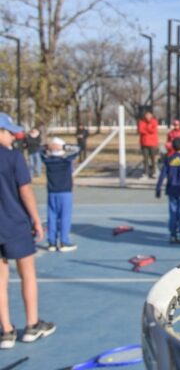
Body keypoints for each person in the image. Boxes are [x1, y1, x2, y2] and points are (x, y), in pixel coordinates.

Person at [0, 112, 55, 349]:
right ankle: (32, 325)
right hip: (15, 223)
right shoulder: (13, 158)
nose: (14, 135)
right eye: (9, 131)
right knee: (27, 274)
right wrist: (35, 219)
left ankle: (6, 331)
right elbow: (25, 191)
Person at [40, 138, 80, 252]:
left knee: (51, 217)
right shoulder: (66, 160)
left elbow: (38, 150)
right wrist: (64, 147)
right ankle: (64, 242)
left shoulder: (47, 160)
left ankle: (51, 243)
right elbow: (78, 149)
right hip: (65, 192)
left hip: (52, 192)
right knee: (65, 217)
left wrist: (47, 146)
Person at [155, 138, 180, 244]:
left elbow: (162, 175)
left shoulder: (169, 159)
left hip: (171, 190)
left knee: (173, 212)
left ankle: (173, 234)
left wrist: (158, 188)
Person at [138, 110, 160, 179]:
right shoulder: (141, 122)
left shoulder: (154, 121)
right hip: (144, 143)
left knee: (153, 159)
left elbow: (153, 130)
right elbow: (141, 130)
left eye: (149, 115)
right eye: (146, 115)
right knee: (145, 159)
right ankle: (145, 173)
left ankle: (154, 172)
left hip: (153, 143)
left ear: (151, 115)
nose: (148, 116)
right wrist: (148, 128)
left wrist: (147, 129)